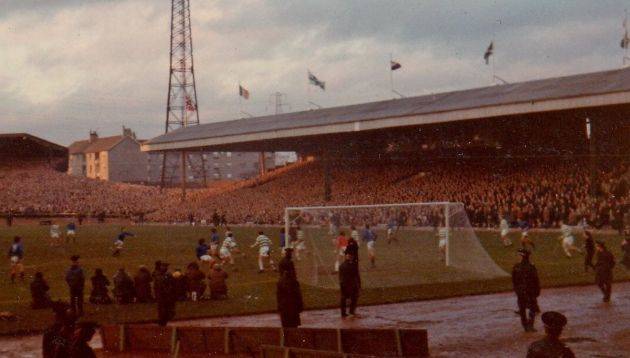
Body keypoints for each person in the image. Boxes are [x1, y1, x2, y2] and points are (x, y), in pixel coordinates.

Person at [512, 249, 540, 332]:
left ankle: (525, 326)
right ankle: (530, 325)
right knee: (532, 308)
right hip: (530, 291)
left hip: (521, 291)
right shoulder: (531, 266)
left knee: (522, 309)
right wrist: (537, 290)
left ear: (522, 256)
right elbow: (536, 280)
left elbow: (514, 280)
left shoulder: (516, 266)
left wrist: (517, 290)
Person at [339, 253, 361, 318]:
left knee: (346, 298)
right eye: (349, 255)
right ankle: (349, 312)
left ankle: (345, 313)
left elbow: (357, 276)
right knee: (350, 298)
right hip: (349, 284)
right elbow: (356, 276)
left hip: (346, 284)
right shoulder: (348, 265)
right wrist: (358, 285)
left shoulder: (343, 265)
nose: (350, 257)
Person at [154, 262, 176, 326]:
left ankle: (163, 321)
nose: (165, 268)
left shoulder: (165, 275)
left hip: (164, 295)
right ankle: (162, 321)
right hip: (162, 295)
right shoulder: (161, 275)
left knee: (164, 309)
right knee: (163, 309)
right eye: (164, 266)